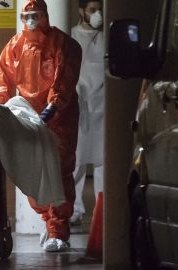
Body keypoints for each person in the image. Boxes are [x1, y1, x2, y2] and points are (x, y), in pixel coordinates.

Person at [0, 0, 82, 252]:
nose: (31, 20)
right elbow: (3, 80)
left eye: (36, 15)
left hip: (59, 118)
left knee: (60, 169)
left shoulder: (63, 43)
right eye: (27, 15)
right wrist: (3, 108)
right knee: (32, 168)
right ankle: (48, 222)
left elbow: (64, 78)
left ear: (45, 15)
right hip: (29, 117)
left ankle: (59, 230)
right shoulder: (13, 47)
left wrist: (53, 107)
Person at [69, 0, 105, 226]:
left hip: (102, 104)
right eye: (92, 10)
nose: (97, 15)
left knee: (103, 162)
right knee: (77, 161)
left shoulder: (106, 37)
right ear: (82, 11)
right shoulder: (71, 36)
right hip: (81, 105)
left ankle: (103, 209)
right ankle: (75, 210)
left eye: (99, 10)